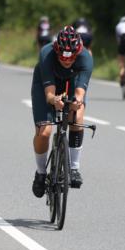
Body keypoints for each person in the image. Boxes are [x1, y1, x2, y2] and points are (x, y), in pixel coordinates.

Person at [30, 26, 93, 195]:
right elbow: (49, 94)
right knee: (44, 132)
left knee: (77, 115)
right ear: (57, 50)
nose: (66, 61)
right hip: (46, 83)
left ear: (77, 52)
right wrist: (54, 100)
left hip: (71, 83)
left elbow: (80, 93)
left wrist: (76, 103)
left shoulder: (86, 58)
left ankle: (74, 168)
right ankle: (41, 173)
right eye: (63, 57)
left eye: (71, 57)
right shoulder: (46, 54)